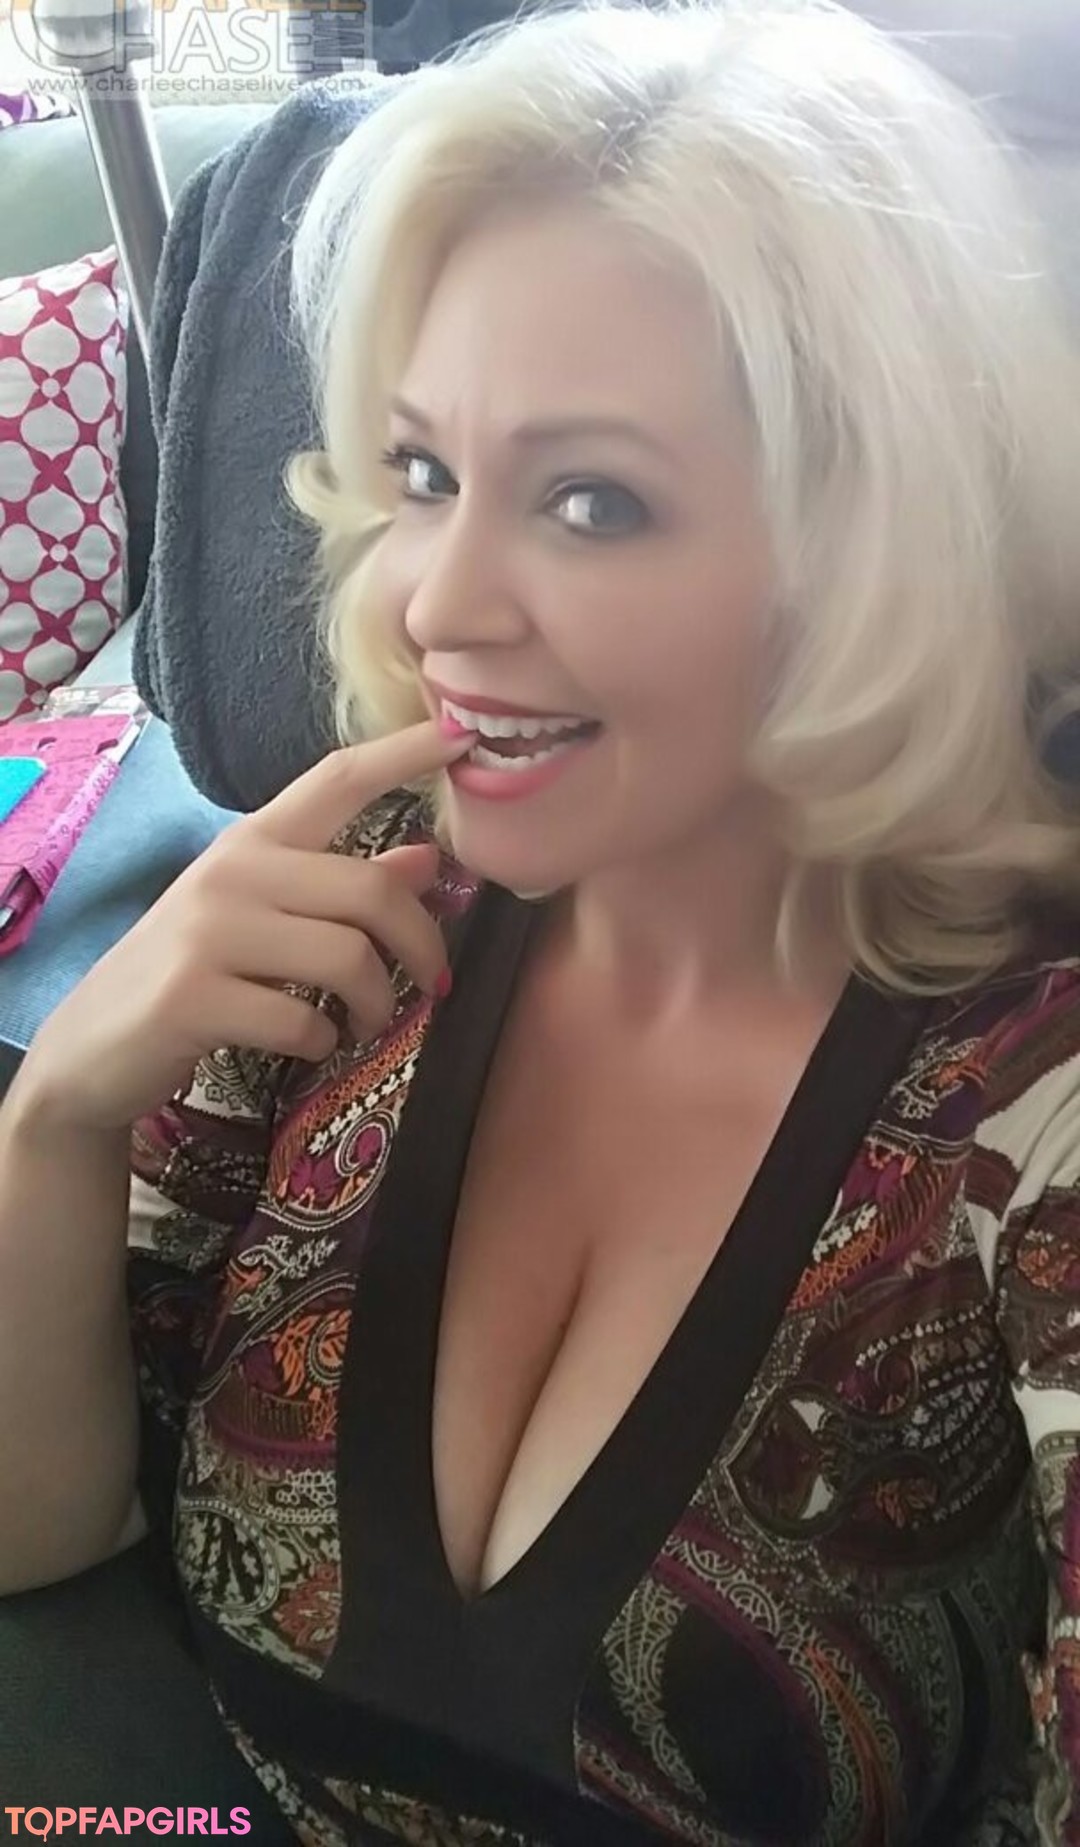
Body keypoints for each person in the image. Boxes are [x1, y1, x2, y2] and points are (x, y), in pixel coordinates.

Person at [2, 1, 1080, 1841]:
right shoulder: (357, 904)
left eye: (592, 500)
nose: (437, 602)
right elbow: (43, 1527)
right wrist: (59, 1114)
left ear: (874, 555)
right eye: (425, 476)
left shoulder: (1029, 1119)